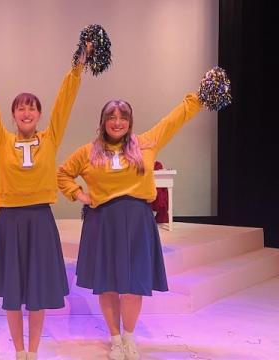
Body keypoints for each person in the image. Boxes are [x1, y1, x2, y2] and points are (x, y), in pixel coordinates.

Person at [0, 39, 91, 360]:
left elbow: (65, 102)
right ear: (13, 115)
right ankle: (19, 350)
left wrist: (79, 65)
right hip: (10, 222)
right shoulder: (1, 139)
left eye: (32, 107)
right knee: (13, 291)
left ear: (39, 114)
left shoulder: (51, 138)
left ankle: (33, 351)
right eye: (21, 107)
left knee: (37, 291)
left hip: (41, 221)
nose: (26, 111)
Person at [57, 91, 206, 360]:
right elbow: (62, 174)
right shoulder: (88, 152)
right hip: (103, 223)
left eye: (123, 117)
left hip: (137, 222)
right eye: (111, 117)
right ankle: (114, 338)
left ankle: (129, 336)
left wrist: (199, 96)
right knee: (108, 284)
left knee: (133, 285)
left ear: (130, 121)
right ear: (102, 122)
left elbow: (175, 119)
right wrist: (80, 195)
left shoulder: (145, 143)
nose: (117, 122)